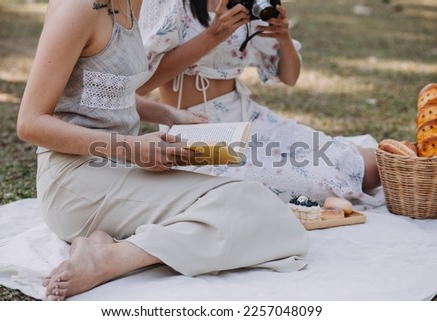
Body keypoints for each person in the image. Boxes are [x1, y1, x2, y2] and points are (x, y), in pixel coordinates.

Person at [16, 0, 309, 301]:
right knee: (257, 209)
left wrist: (169, 115)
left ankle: (100, 244)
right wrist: (131, 149)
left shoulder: (133, 6)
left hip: (118, 169)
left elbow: (106, 91)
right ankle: (114, 260)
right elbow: (30, 123)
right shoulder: (78, 8)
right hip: (75, 183)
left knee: (253, 201)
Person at [137, 0, 384, 207]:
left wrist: (283, 35)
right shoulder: (169, 3)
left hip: (247, 117)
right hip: (196, 131)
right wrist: (214, 34)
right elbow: (141, 86)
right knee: (319, 185)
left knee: (369, 166)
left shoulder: (250, 2)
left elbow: (290, 77)